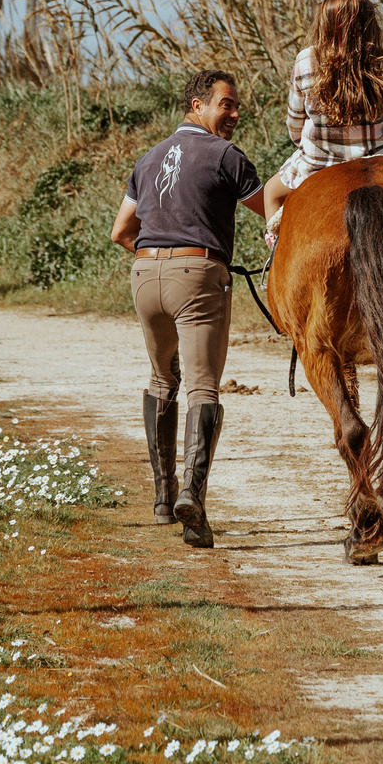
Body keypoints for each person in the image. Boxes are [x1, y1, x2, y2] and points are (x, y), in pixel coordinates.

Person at [110, 68, 263, 548]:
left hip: (144, 275)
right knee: (203, 387)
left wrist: (158, 256)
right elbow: (271, 209)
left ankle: (162, 498)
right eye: (227, 104)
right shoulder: (225, 156)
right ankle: (192, 496)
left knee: (161, 379)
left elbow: (119, 232)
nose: (235, 113)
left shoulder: (148, 158)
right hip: (196, 277)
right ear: (197, 105)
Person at [256, 0, 383, 235]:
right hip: (382, 156)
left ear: (325, 23)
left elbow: (294, 127)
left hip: (318, 163)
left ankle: (275, 254)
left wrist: (313, 143)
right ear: (369, 23)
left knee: (271, 193)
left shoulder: (304, 61)